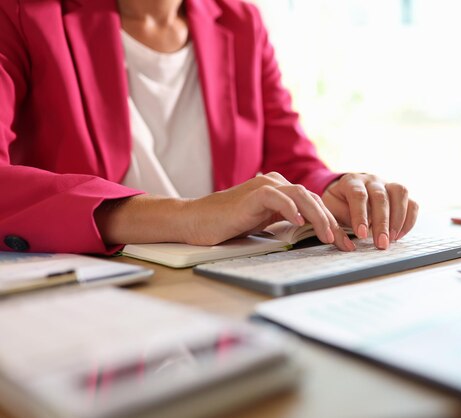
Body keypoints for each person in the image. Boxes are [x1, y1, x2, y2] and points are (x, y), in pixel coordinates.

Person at [0, 0, 418, 255]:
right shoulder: (20, 13)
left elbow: (292, 159)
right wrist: (188, 216)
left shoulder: (241, 22)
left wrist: (333, 189)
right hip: (90, 303)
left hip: (218, 296)